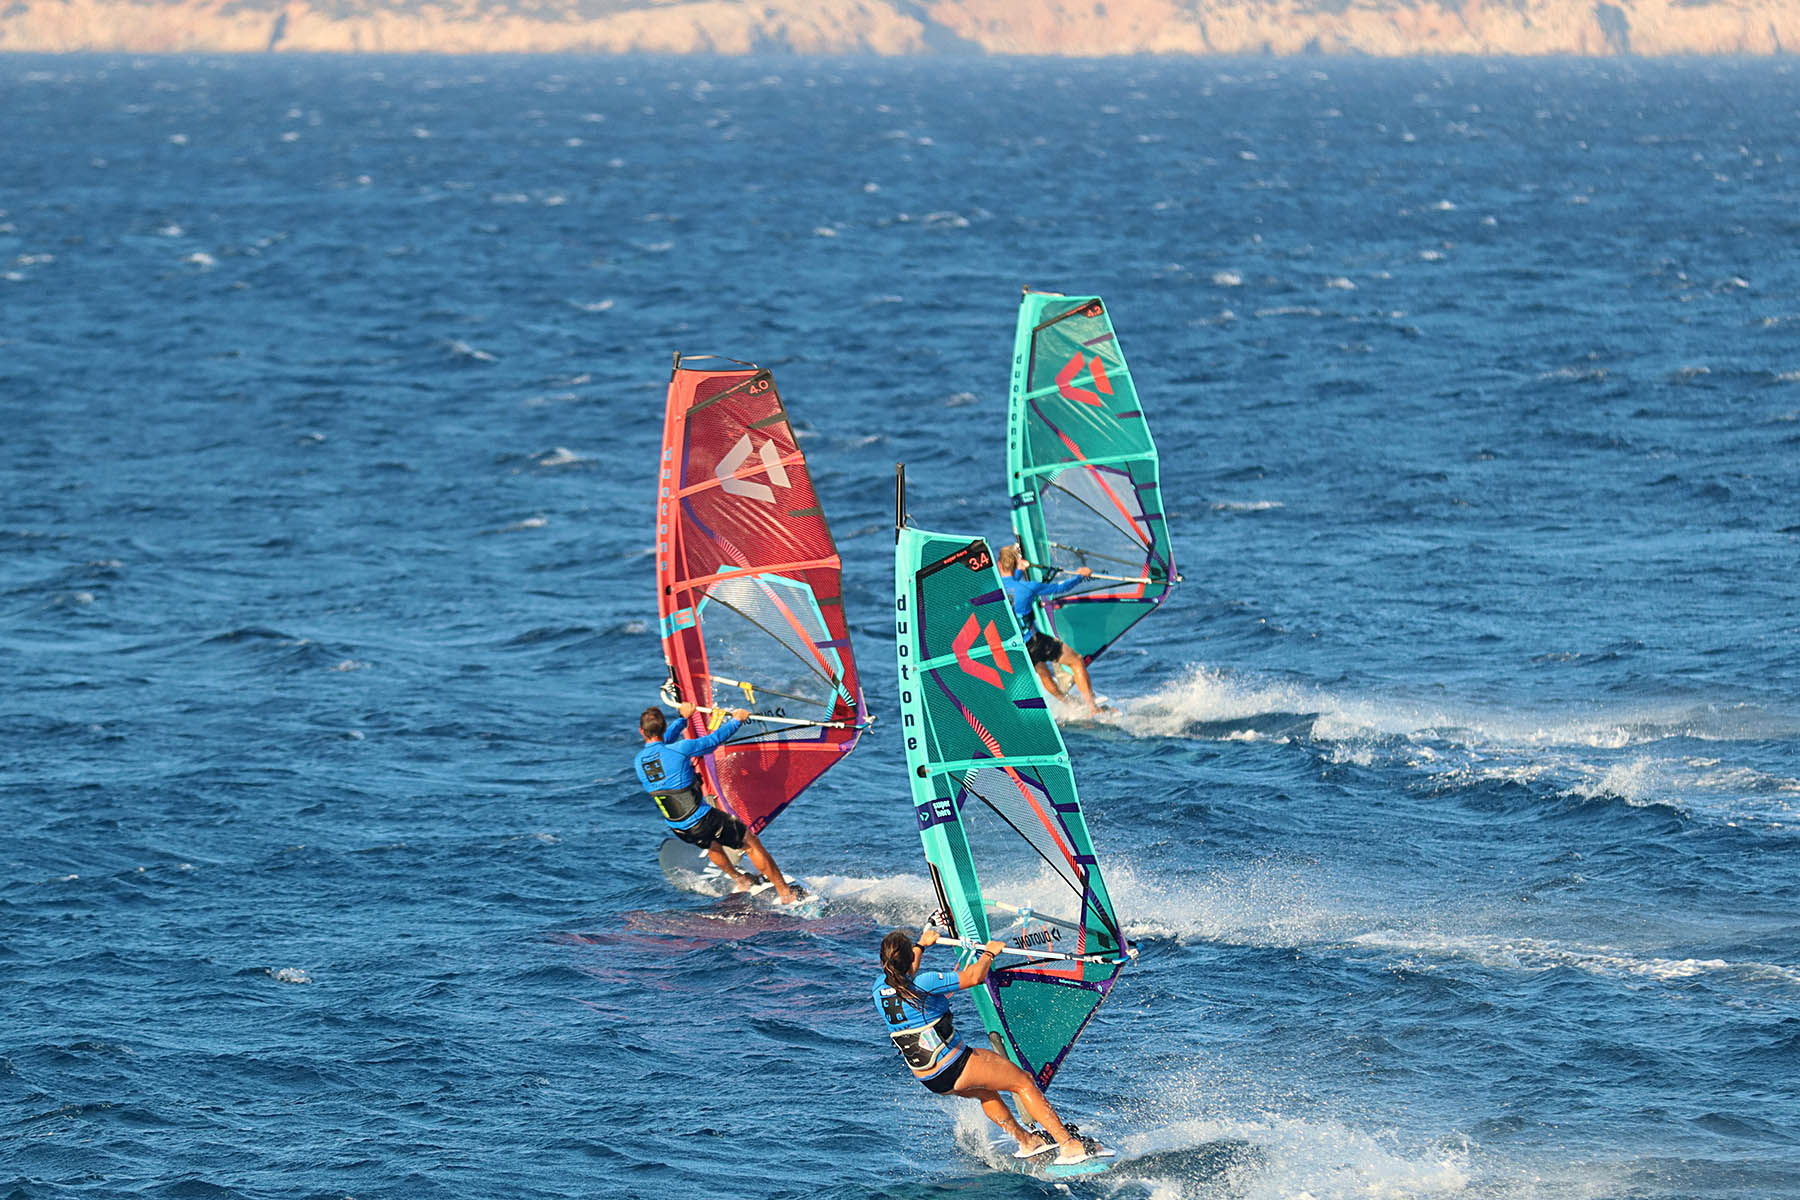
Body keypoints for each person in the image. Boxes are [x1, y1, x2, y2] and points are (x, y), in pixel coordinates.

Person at [873, 926, 1109, 1167]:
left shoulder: (878, 988)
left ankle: (1027, 1141)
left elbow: (905, 973)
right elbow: (975, 977)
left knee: (986, 1092)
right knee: (1023, 1082)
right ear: (909, 959)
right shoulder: (925, 983)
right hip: (954, 1065)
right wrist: (989, 953)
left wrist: (921, 945)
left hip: (931, 1079)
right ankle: (1068, 1144)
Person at [635, 701, 800, 904]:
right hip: (701, 819)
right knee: (750, 843)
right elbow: (713, 741)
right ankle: (786, 893)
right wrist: (736, 720)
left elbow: (661, 745)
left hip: (678, 827)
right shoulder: (681, 749)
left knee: (712, 844)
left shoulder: (640, 760)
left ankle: (741, 880)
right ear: (663, 728)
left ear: (641, 732)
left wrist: (682, 720)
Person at [996, 543, 1100, 714]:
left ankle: (1067, 704)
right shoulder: (1028, 588)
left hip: (1016, 647)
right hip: (1035, 642)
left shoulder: (993, 588)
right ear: (1015, 564)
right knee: (1076, 661)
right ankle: (1092, 708)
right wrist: (1081, 576)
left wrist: (1020, 570)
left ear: (999, 565)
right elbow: (1060, 588)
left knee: (1043, 672)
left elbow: (1010, 586)